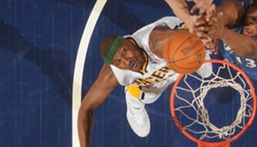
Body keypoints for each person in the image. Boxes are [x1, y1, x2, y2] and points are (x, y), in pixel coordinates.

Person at [77, 17, 211, 146]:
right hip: (152, 80)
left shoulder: (156, 42)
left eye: (125, 51)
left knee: (207, 72)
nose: (126, 61)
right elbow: (86, 109)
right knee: (145, 120)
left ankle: (194, 54)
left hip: (181, 48)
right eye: (118, 62)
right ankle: (133, 95)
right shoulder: (112, 75)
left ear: (129, 40)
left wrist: (201, 41)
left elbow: (204, 24)